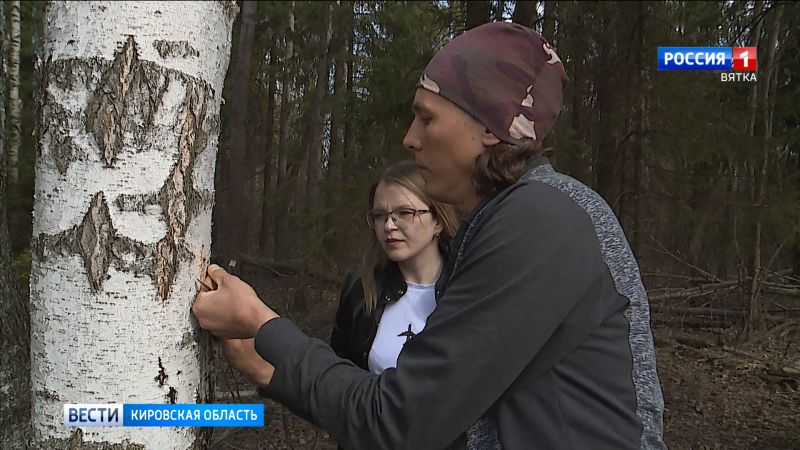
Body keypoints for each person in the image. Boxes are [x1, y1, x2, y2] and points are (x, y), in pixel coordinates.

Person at [194, 22, 667, 450]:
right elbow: (431, 419)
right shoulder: (510, 221)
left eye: (426, 117)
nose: (409, 137)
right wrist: (264, 367)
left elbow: (398, 422)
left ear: (489, 126)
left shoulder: (540, 218)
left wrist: (263, 324)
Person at [330, 161, 459, 375]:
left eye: (405, 212)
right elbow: (340, 377)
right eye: (380, 215)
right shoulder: (362, 287)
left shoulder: (467, 283)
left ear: (437, 220)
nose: (389, 226)